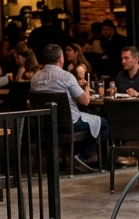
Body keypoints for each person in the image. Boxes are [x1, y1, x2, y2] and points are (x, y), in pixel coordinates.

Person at [31, 43, 109, 173]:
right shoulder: (67, 76)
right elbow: (85, 101)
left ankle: (73, 159)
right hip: (69, 124)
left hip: (44, 125)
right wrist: (86, 88)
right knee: (104, 124)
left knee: (92, 122)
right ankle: (81, 157)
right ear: (61, 59)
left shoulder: (35, 78)